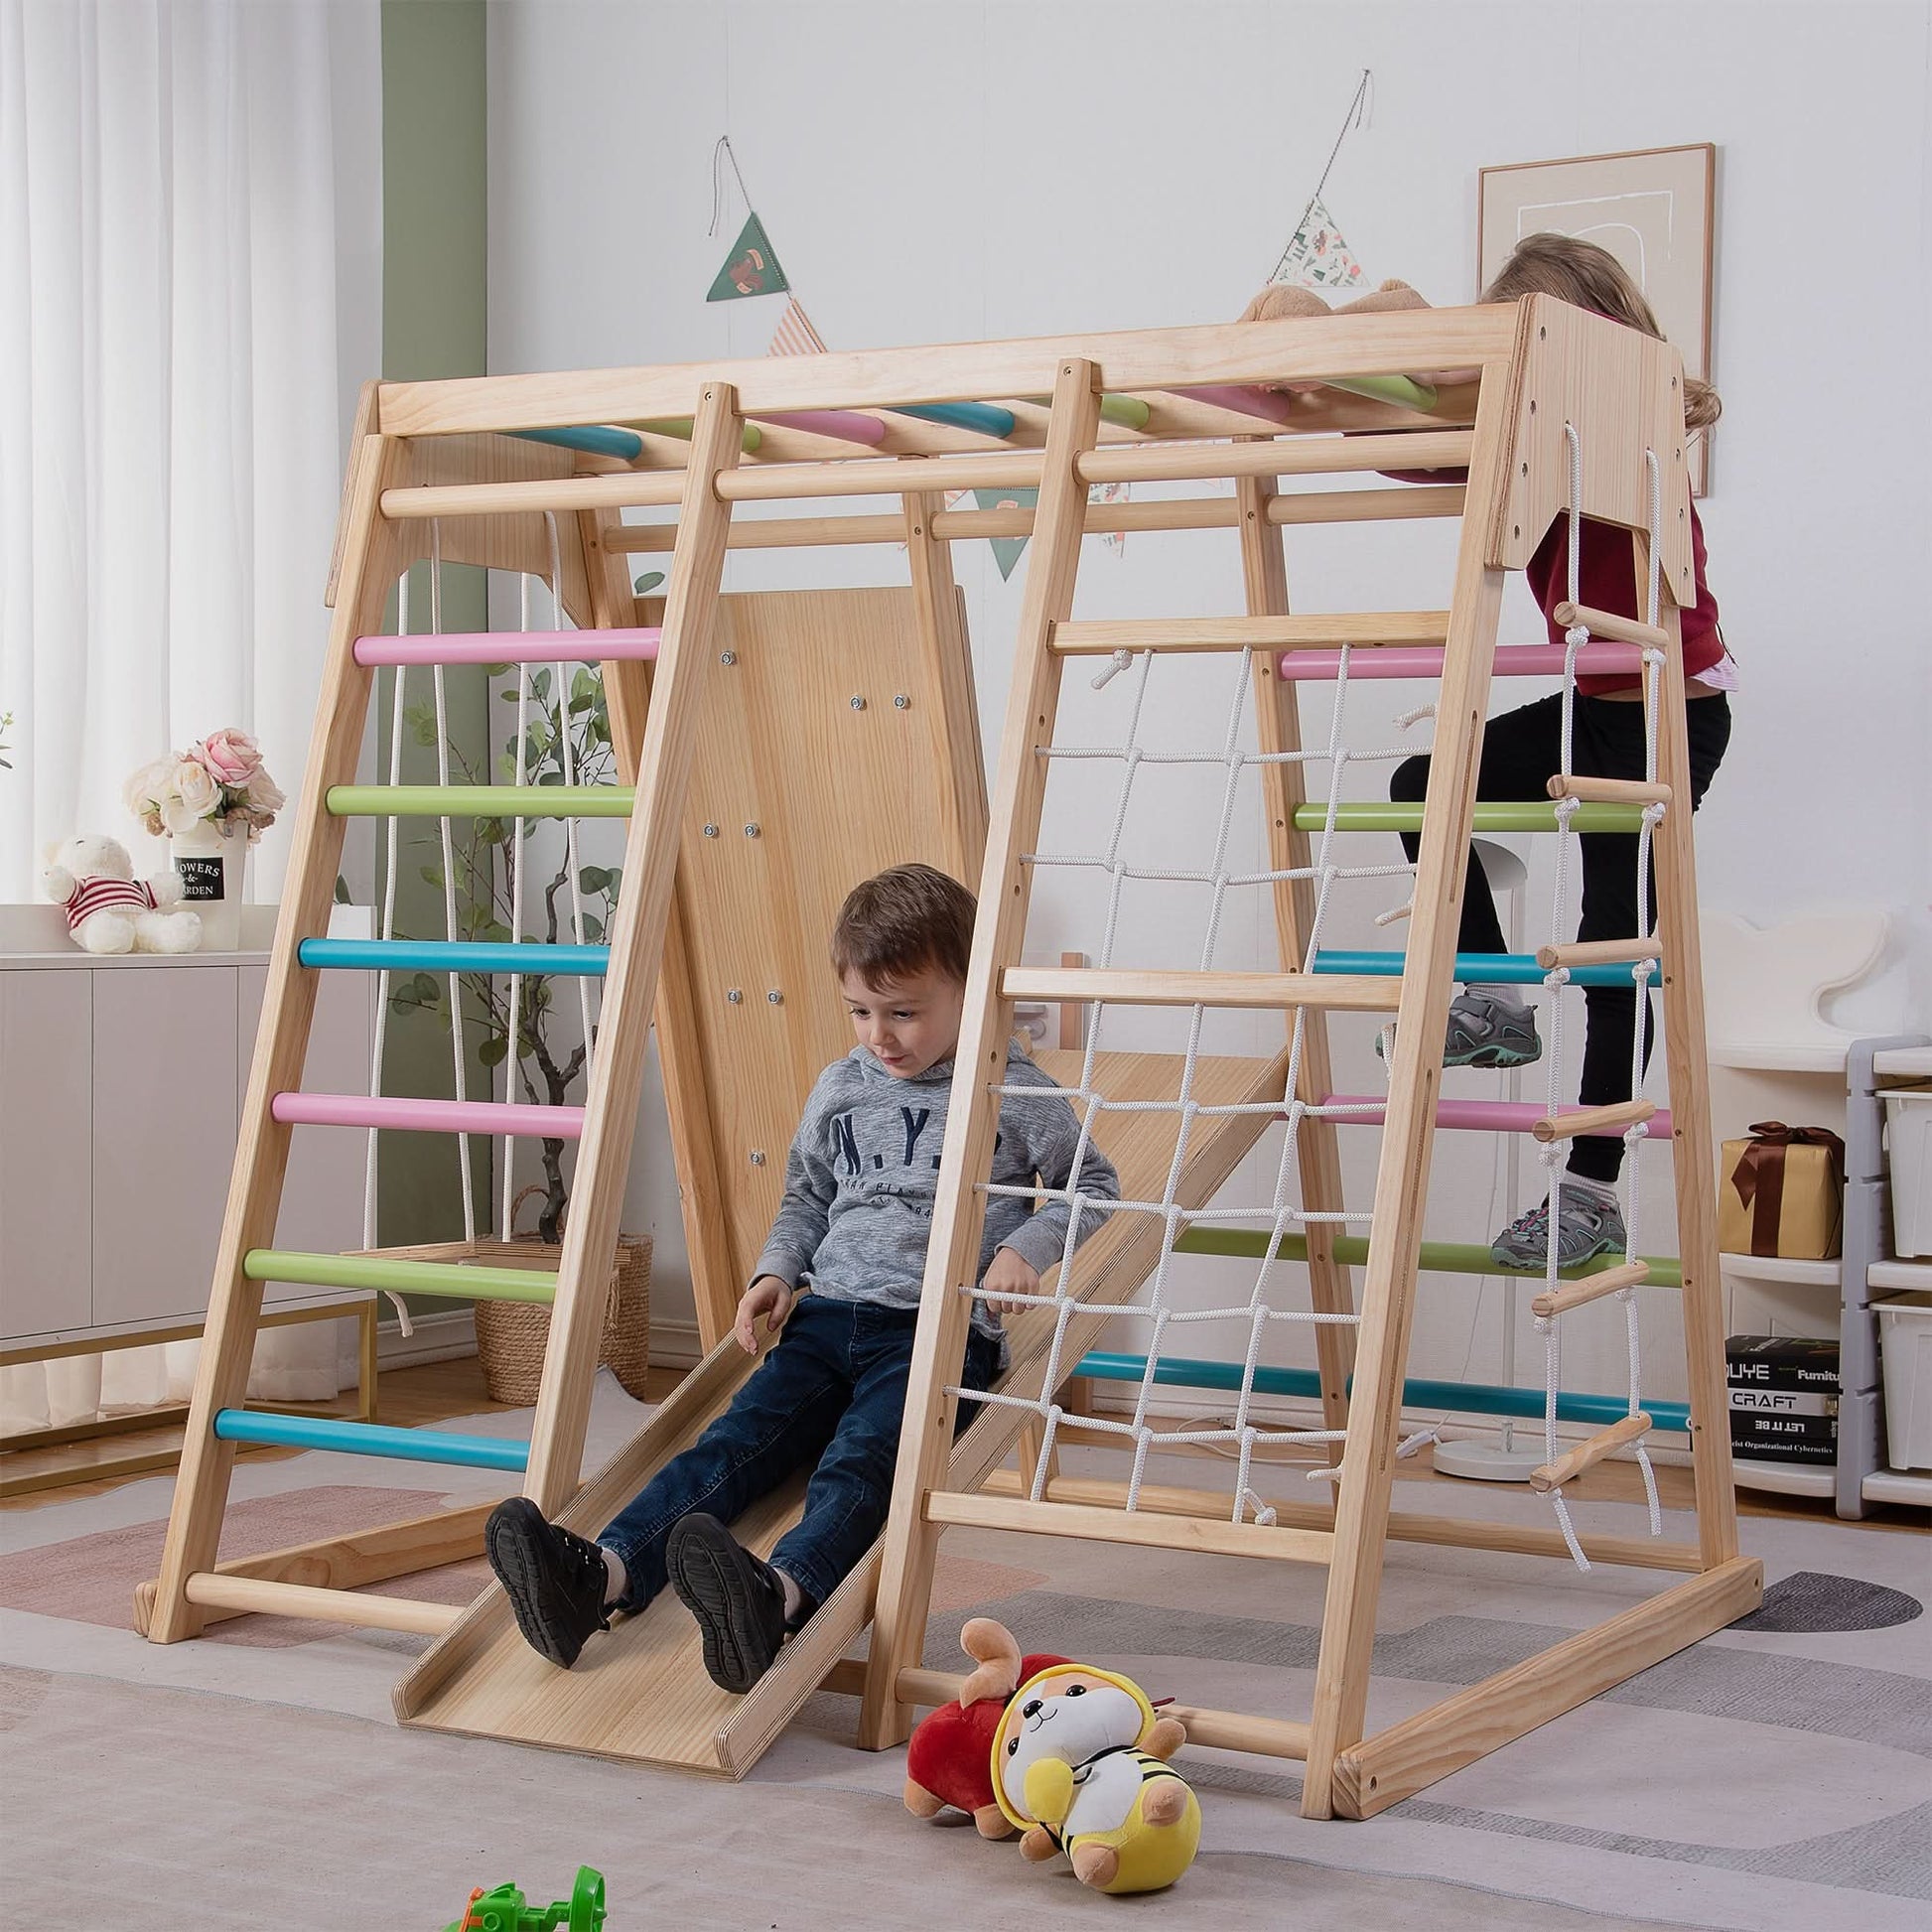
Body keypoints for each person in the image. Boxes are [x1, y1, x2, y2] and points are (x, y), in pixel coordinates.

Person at [483, 863, 1121, 1693]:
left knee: (860, 1466)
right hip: (823, 1318)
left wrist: (1025, 1248)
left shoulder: (1013, 1090)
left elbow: (1095, 1185)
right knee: (729, 1447)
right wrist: (777, 1271)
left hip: (934, 1332)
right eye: (860, 1011)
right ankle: (596, 1578)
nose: (879, 1035)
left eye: (904, 1013)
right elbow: (809, 1193)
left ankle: (777, 1600)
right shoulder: (842, 1086)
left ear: (972, 993)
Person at [1380, 233, 1733, 1268]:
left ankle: (1591, 1192)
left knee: (1610, 940)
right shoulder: (1531, 433)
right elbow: (1415, 451)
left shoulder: (1631, 427)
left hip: (1670, 707)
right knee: (1422, 786)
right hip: (1596, 699)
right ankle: (1492, 994)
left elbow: (1601, 369)